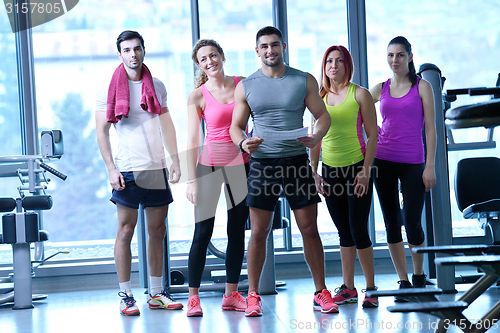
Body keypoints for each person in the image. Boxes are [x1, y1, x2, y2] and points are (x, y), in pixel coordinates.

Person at [230, 26, 338, 317]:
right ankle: (253, 296)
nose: (270, 50)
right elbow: (235, 126)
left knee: (309, 229)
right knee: (259, 232)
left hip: (296, 162)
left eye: (274, 45)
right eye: (264, 46)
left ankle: (320, 292)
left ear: (284, 46)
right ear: (257, 51)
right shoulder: (247, 85)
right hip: (262, 163)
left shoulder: (303, 80)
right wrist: (243, 142)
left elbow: (323, 116)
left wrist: (316, 137)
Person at [95, 30, 183, 316]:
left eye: (137, 49)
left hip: (156, 168)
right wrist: (111, 169)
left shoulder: (156, 85)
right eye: (127, 50)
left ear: (144, 51)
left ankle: (156, 293)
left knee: (157, 231)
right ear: (119, 54)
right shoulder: (107, 88)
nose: (133, 54)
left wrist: (175, 160)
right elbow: (102, 132)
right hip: (127, 169)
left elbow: (167, 125)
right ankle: (126, 295)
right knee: (125, 231)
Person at [310, 45, 379, 308]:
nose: (334, 65)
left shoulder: (359, 94)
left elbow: (372, 135)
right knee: (343, 232)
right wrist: (314, 172)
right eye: (329, 61)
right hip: (329, 171)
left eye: (339, 60)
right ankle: (348, 288)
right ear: (324, 66)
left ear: (347, 64)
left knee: (359, 229)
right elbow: (316, 139)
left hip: (356, 169)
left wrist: (365, 171)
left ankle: (370, 288)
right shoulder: (319, 97)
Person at [185, 39, 249, 317]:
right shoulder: (197, 95)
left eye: (213, 55)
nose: (210, 61)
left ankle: (231, 294)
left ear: (222, 56)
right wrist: (191, 180)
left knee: (236, 232)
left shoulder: (243, 84)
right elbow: (192, 137)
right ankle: (193, 298)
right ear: (199, 65)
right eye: (203, 59)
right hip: (208, 167)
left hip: (241, 166)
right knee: (203, 233)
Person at [369, 36, 436, 299]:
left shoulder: (423, 87)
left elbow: (430, 129)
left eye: (399, 55)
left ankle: (419, 274)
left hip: (413, 163)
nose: (394, 60)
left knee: (411, 221)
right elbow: (357, 106)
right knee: (391, 223)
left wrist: (429, 166)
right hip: (383, 160)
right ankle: (403, 281)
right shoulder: (381, 87)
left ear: (409, 56)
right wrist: (372, 131)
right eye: (390, 55)